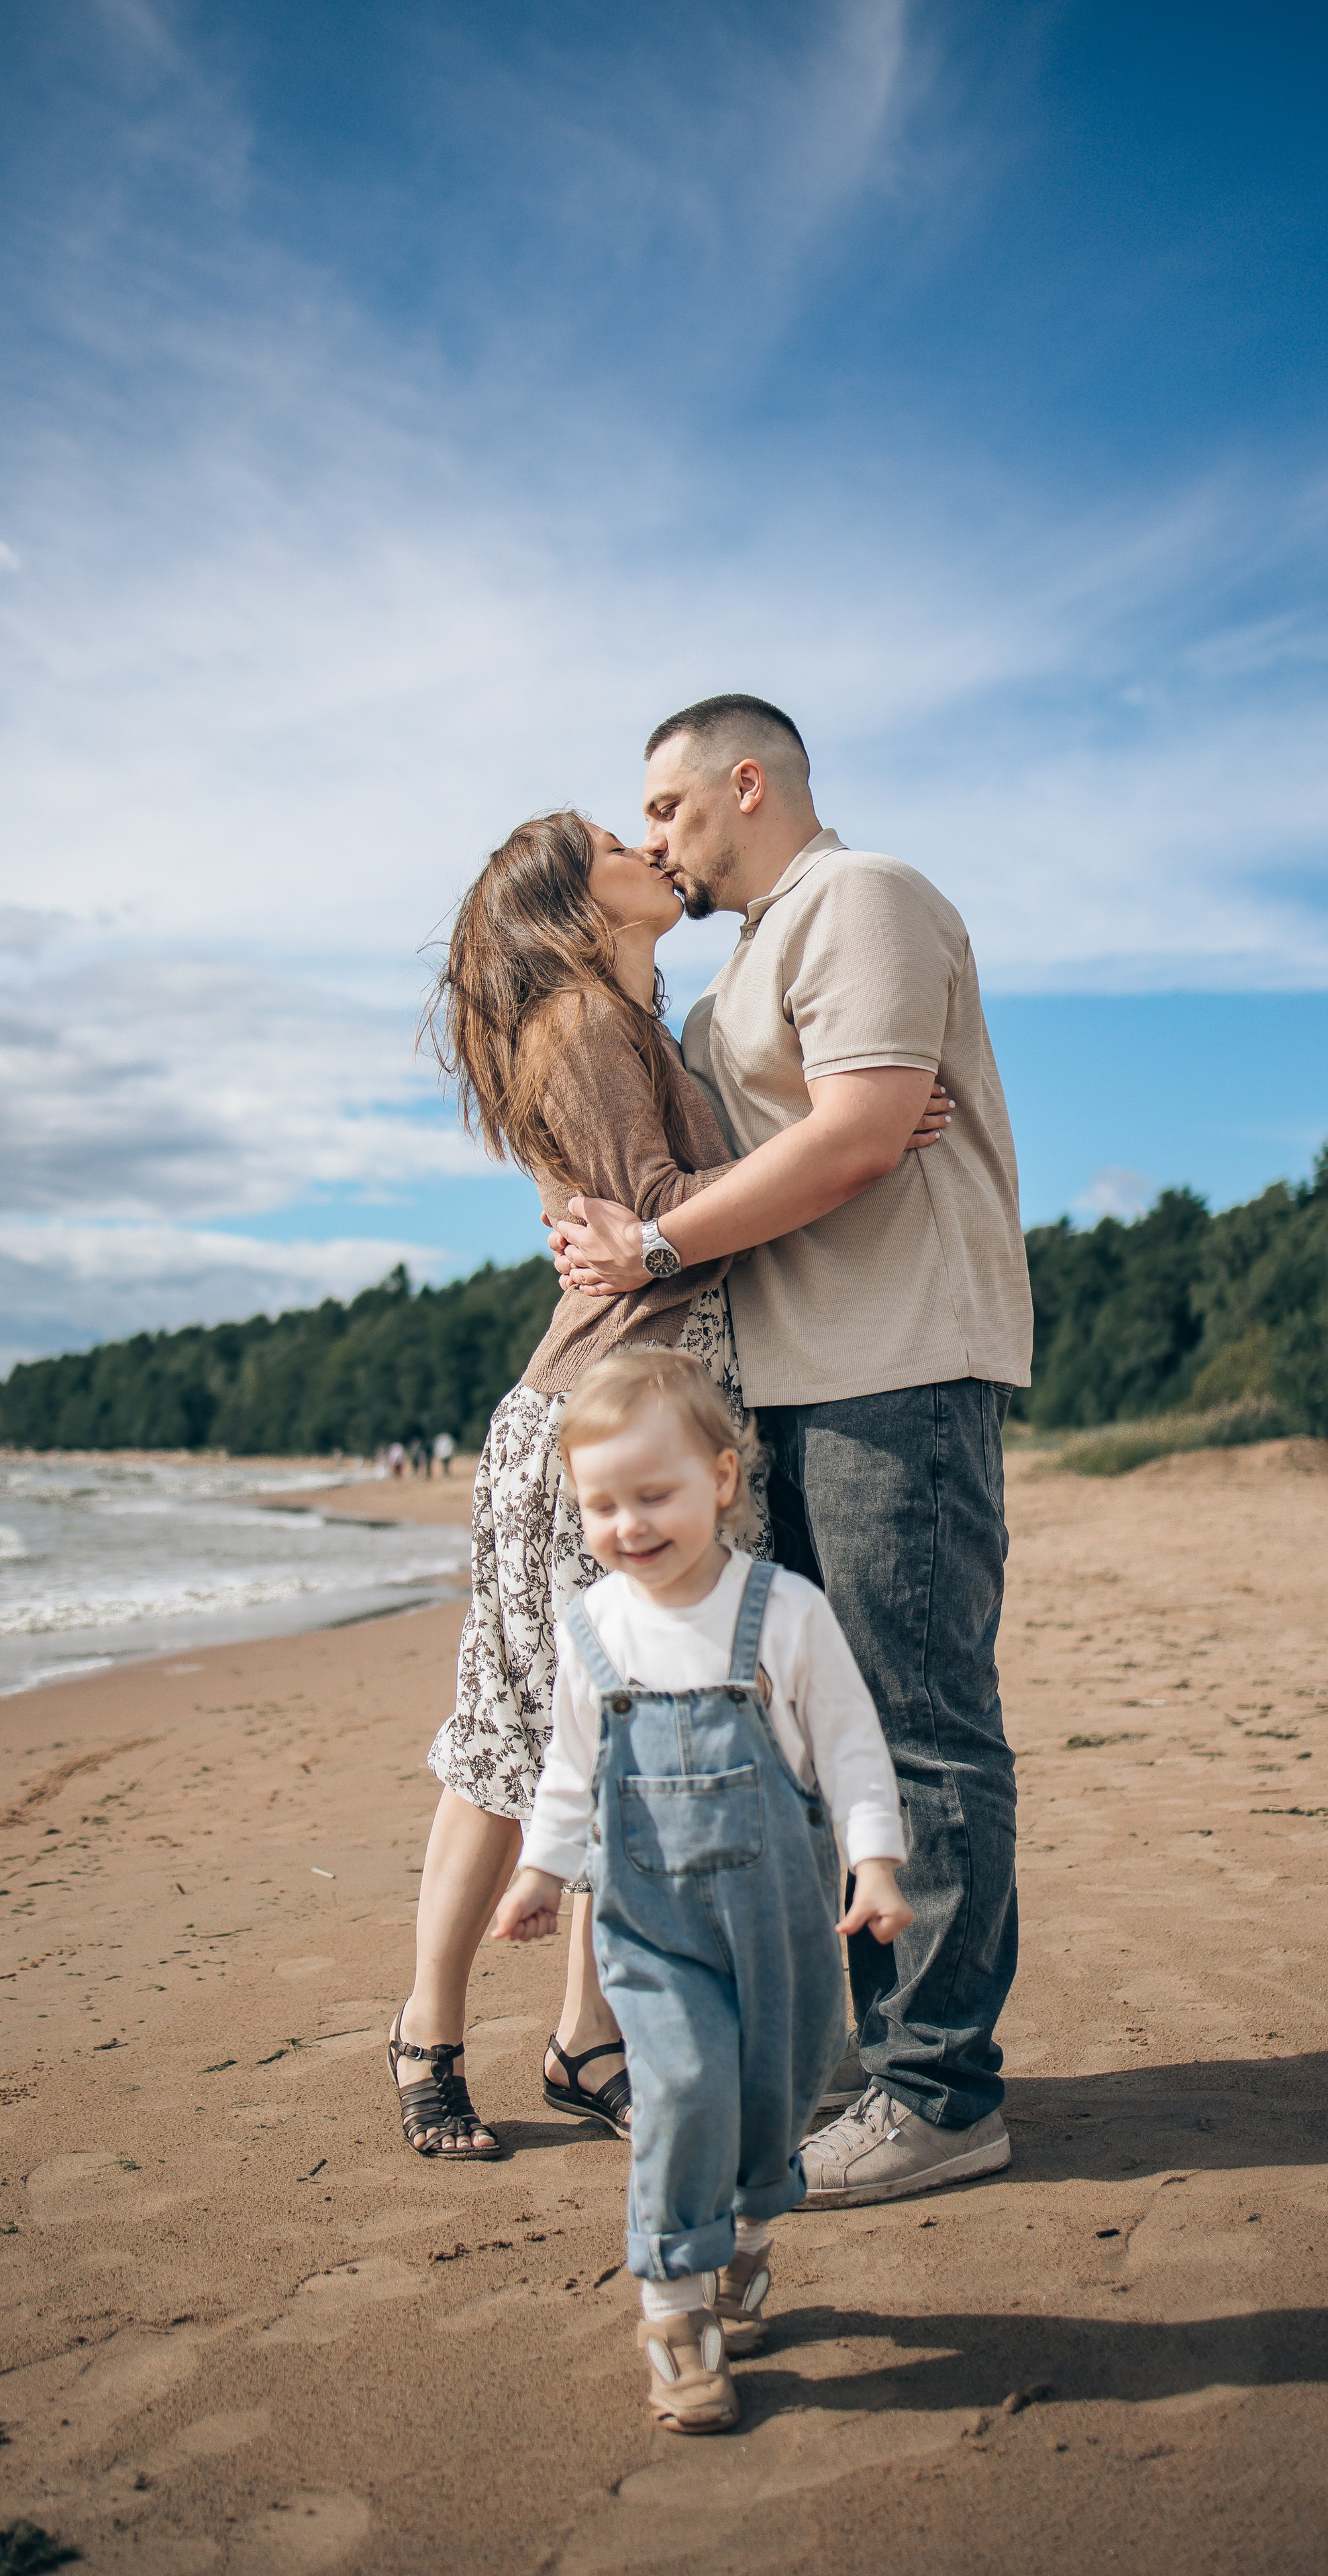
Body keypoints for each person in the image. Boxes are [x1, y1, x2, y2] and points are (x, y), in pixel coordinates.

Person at [388, 806, 952, 2159]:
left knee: (569, 1735)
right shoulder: (582, 1027)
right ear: (571, 902)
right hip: (594, 1423)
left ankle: (573, 2040)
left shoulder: (632, 1019)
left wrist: (825, 1132)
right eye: (607, 841)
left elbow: (656, 1214)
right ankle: (433, 2038)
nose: (643, 846)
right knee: (526, 1749)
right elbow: (667, 1231)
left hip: (622, 1411)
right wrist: (844, 1139)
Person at [552, 694, 1032, 2208]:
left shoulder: (859, 897)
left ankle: (941, 2097)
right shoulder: (735, 974)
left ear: (743, 784)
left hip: (899, 1367)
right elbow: (769, 1152)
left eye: (667, 810)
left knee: (920, 1728)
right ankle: (873, 2052)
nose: (651, 842)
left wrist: (657, 1236)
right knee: (826, 1738)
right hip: (789, 1389)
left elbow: (857, 1129)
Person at [491, 1349, 911, 2434]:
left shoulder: (786, 1614)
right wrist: (543, 1872)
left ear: (724, 1478)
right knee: (677, 2095)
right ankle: (675, 2313)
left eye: (655, 1495)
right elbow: (570, 1775)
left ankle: (749, 2235)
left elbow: (854, 1748)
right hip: (656, 1931)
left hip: (781, 1923)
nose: (629, 1525)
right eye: (601, 1505)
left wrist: (874, 1861)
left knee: (770, 2101)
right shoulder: (596, 1637)